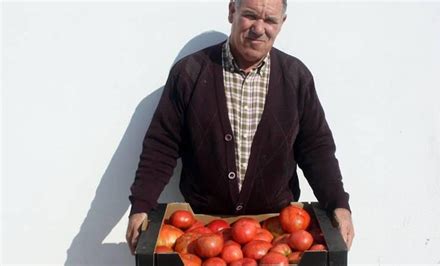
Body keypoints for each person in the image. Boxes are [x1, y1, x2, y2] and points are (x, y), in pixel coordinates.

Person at [126, 0, 354, 254]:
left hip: (275, 237)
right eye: (250, 16)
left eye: (270, 20)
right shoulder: (189, 73)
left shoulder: (296, 77)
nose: (259, 28)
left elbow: (316, 149)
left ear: (282, 24)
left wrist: (338, 204)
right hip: (202, 237)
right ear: (231, 11)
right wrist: (141, 207)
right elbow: (162, 146)